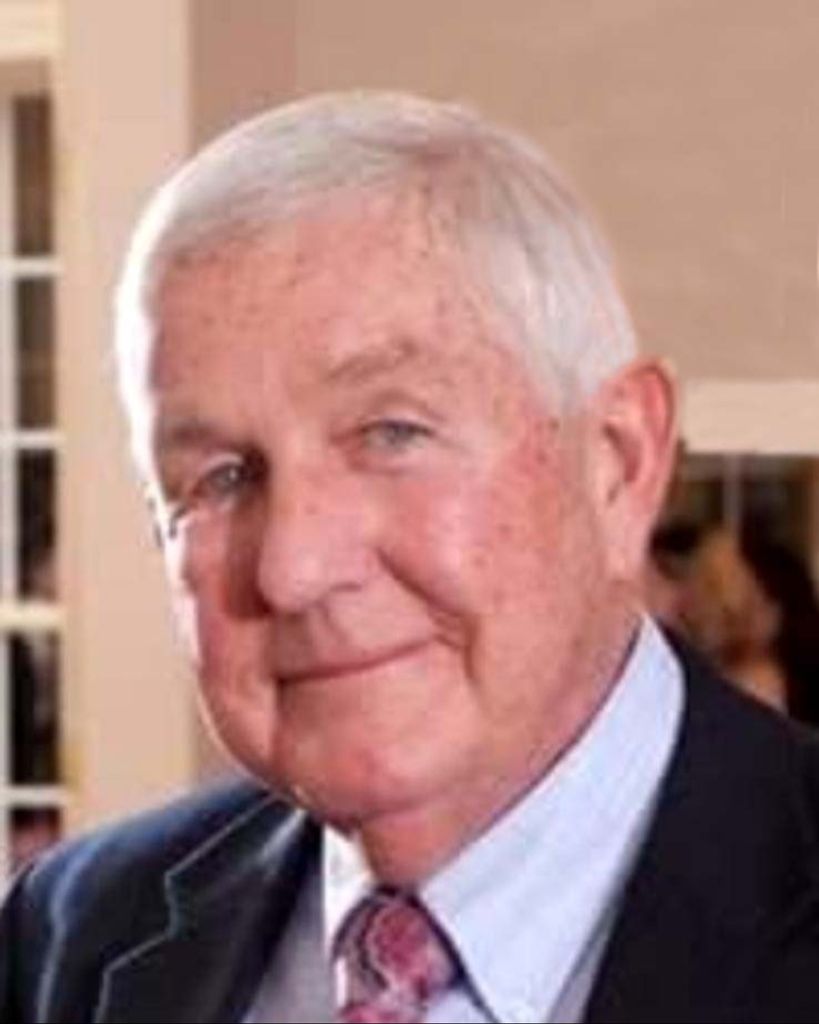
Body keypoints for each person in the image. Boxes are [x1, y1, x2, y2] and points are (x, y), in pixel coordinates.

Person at [2, 91, 819, 1024]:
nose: (293, 568)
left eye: (390, 433)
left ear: (618, 462)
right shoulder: (66, 938)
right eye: (221, 478)